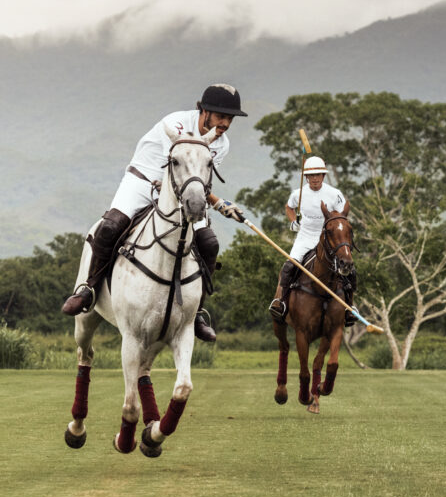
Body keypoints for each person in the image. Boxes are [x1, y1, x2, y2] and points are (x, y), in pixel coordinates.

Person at [61, 84, 249, 342]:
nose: (225, 123)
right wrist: (214, 202)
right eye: (220, 116)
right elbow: (171, 170)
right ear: (203, 110)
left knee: (209, 242)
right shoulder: (175, 125)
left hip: (184, 193)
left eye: (230, 118)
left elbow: (199, 182)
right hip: (143, 180)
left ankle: (196, 312)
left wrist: (218, 202)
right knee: (110, 227)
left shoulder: (221, 144)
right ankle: (89, 289)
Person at [268, 156, 349, 319]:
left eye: (318, 175)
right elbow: (289, 207)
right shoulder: (297, 193)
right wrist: (293, 222)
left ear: (323, 176)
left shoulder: (334, 194)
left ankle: (349, 307)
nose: (314, 179)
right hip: (304, 238)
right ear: (306, 177)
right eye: (311, 175)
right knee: (288, 268)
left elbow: (342, 216)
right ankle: (281, 302)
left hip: (327, 240)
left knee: (348, 269)